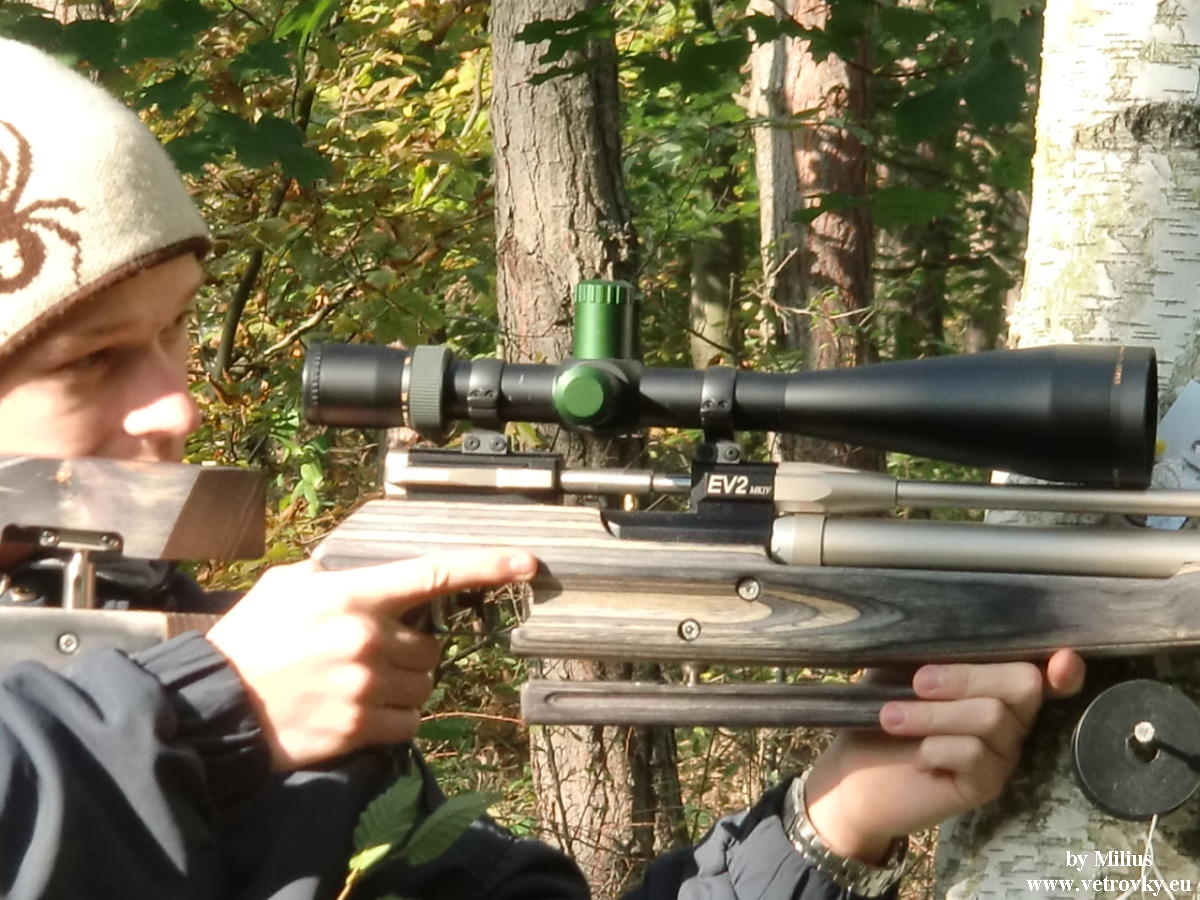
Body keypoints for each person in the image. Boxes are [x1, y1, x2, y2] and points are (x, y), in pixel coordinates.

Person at [0, 36, 1084, 900]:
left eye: (177, 328)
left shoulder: (185, 664)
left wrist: (829, 821)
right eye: (90, 359)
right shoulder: (212, 703)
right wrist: (219, 711)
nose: (177, 404)